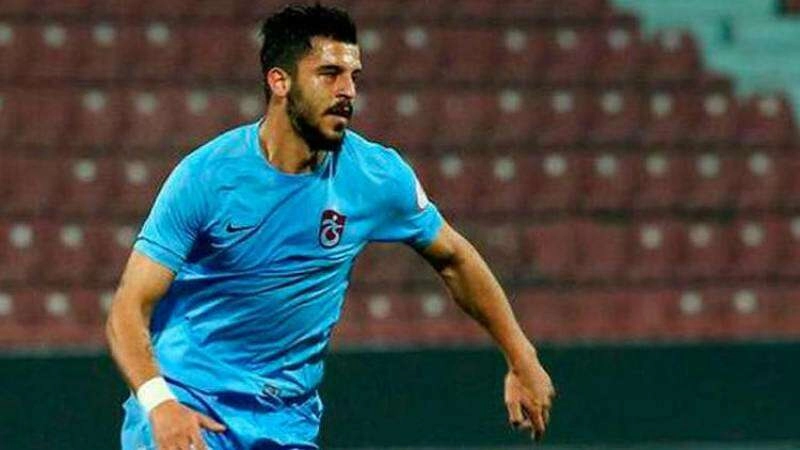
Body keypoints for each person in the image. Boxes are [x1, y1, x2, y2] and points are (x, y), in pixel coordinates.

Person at [106, 4, 555, 450]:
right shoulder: (206, 177)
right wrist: (159, 403)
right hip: (188, 404)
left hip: (285, 422)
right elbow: (128, 308)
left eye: (353, 76)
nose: (347, 91)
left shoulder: (375, 175)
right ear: (279, 81)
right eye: (329, 74)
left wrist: (521, 356)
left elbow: (455, 259)